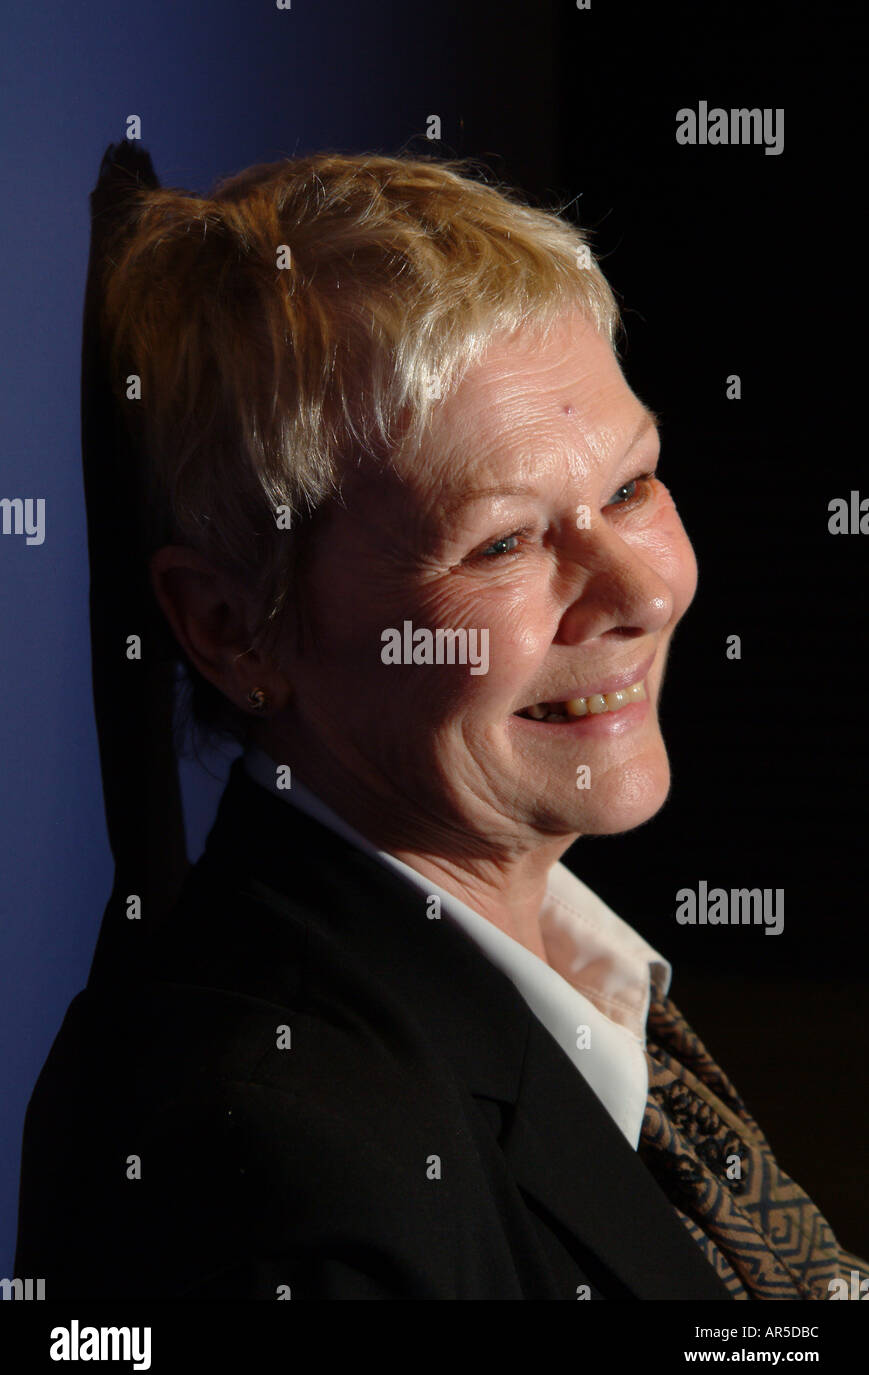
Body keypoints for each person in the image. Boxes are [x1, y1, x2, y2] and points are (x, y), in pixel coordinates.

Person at [14, 149, 867, 1299]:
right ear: (232, 629)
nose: (643, 592)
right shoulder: (269, 1176)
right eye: (502, 542)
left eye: (629, 488)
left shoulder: (565, 992)